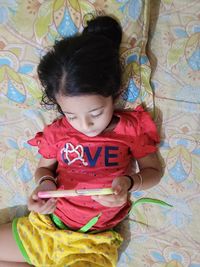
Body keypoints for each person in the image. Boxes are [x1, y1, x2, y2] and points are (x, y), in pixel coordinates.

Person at [0, 15, 162, 267]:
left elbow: (154, 172)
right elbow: (45, 168)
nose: (85, 126)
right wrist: (43, 188)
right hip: (46, 228)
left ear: (113, 93)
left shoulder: (131, 129)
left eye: (95, 113)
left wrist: (130, 182)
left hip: (91, 243)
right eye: (71, 115)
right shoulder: (57, 132)